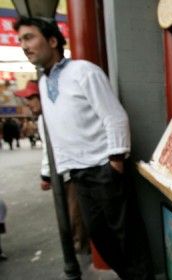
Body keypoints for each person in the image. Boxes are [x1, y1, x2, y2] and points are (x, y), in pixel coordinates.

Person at [14, 17, 153, 279]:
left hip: (104, 169)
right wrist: (49, 171)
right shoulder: (43, 84)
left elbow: (114, 116)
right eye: (21, 40)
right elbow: (54, 132)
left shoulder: (83, 71)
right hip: (78, 176)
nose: (24, 45)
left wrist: (114, 162)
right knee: (101, 240)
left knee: (130, 241)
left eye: (29, 37)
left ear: (53, 41)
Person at [14, 80, 90, 254]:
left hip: (68, 172)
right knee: (71, 211)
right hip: (66, 171)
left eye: (31, 98)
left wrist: (45, 175)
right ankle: (78, 244)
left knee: (73, 213)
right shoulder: (47, 115)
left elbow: (51, 149)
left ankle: (80, 245)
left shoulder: (47, 116)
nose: (28, 103)